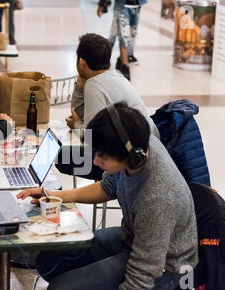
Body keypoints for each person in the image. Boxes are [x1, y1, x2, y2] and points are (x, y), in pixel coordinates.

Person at [17, 102, 199, 290]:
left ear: (130, 157)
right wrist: (52, 194)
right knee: (48, 261)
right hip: (134, 238)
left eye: (102, 157)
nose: (95, 162)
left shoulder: (158, 195)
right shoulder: (136, 147)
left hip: (166, 266)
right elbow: (106, 188)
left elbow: (146, 268)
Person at [57, 33, 158, 180]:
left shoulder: (94, 85)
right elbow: (84, 115)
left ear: (82, 62)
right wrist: (80, 86)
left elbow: (91, 138)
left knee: (61, 157)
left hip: (128, 158)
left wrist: (76, 124)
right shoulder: (116, 76)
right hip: (146, 150)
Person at [97, 0, 146, 80]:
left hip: (137, 5)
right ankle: (124, 65)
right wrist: (102, 3)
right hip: (122, 5)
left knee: (129, 33)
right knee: (124, 35)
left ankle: (116, 59)